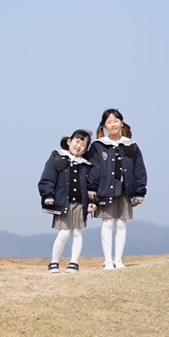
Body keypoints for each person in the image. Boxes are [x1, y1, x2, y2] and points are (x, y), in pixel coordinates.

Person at [88, 108, 147, 269]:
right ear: (104, 126)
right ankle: (107, 260)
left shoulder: (131, 145)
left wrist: (140, 191)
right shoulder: (98, 146)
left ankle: (118, 259)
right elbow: (93, 168)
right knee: (107, 222)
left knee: (121, 223)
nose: (113, 124)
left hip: (126, 191)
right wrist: (91, 190)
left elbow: (139, 169)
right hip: (105, 190)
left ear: (122, 123)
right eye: (109, 122)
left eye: (116, 121)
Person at [38, 129, 95, 273]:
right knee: (63, 233)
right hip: (63, 202)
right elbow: (47, 178)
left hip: (80, 204)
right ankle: (54, 262)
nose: (79, 145)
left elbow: (92, 186)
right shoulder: (58, 158)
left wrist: (93, 202)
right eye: (77, 141)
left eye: (83, 144)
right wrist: (48, 196)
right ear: (69, 141)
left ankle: (74, 263)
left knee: (77, 233)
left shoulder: (85, 164)